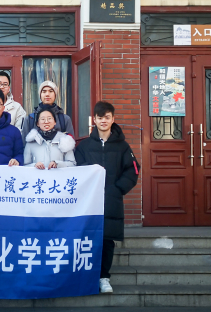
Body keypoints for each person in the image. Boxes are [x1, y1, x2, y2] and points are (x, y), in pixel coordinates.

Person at [75, 101, 139, 295]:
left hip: (111, 199)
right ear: (94, 120)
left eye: (107, 117)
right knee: (87, 238)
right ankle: (87, 277)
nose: (103, 121)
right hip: (88, 201)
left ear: (113, 119)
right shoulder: (84, 146)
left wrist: (117, 189)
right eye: (100, 117)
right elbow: (77, 170)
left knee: (107, 240)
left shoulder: (123, 146)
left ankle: (104, 278)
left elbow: (133, 170)